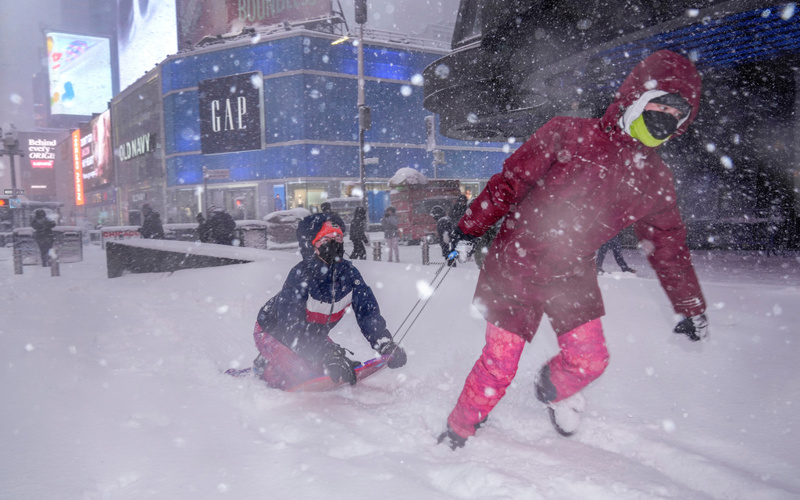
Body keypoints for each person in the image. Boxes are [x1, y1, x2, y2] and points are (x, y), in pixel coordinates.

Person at [437, 50, 709, 449]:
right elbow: (509, 183)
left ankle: (550, 389)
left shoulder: (655, 179)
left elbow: (669, 247)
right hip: (516, 263)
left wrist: (690, 306)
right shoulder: (567, 133)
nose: (665, 116)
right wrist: (468, 228)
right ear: (634, 98)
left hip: (572, 274)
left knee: (590, 360)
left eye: (676, 112)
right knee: (500, 365)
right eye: (659, 104)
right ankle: (459, 429)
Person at [251, 213, 407, 389]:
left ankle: (303, 360)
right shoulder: (300, 276)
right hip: (273, 331)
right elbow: (291, 328)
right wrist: (325, 352)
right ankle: (265, 366)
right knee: (301, 375)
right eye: (327, 239)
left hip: (311, 334)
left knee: (332, 366)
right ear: (312, 245)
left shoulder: (349, 274)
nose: (335, 243)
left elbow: (367, 312)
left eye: (338, 237)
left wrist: (384, 342)